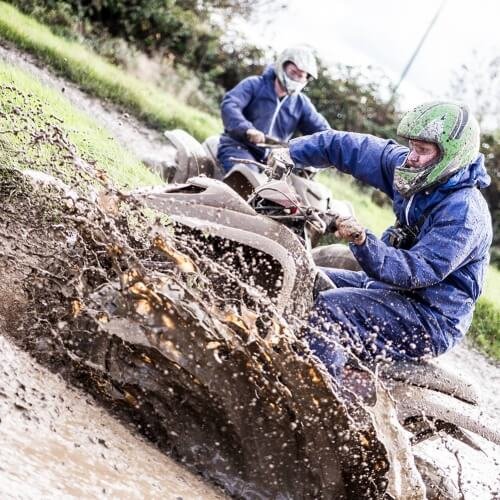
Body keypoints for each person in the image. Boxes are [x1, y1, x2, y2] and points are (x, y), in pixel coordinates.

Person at [270, 101, 492, 376]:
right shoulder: (414, 172)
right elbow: (351, 148)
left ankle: (318, 407)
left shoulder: (465, 213)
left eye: (422, 150)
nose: (411, 156)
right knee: (303, 275)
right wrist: (292, 153)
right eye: (412, 146)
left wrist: (364, 241)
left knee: (334, 310)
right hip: (390, 290)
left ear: (451, 156)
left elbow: (416, 270)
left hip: (431, 317)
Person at [217, 46, 330, 173]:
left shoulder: (301, 103)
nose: (296, 79)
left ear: (306, 79)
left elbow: (323, 131)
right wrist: (247, 129)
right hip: (238, 147)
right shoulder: (254, 84)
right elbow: (230, 105)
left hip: (274, 160)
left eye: (301, 76)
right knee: (248, 179)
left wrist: (332, 149)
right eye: (293, 72)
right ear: (282, 67)